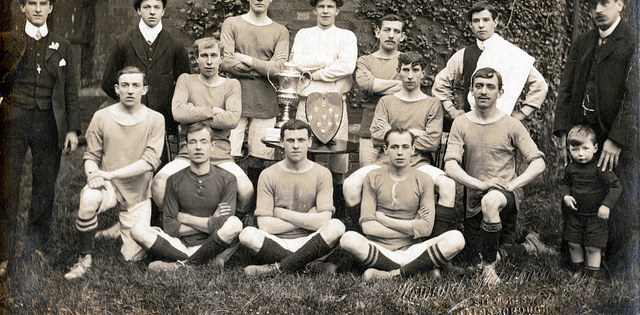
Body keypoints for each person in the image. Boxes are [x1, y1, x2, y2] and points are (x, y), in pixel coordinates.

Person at [553, 0, 639, 270]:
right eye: (593, 5)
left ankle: (613, 260)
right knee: (578, 187)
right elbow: (566, 86)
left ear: (620, 5)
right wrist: (563, 130)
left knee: (616, 192)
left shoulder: (632, 40)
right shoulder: (583, 40)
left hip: (614, 133)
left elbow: (635, 95)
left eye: (605, 3)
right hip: (582, 131)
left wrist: (617, 139)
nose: (598, 10)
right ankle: (573, 257)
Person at [0, 0, 80, 277]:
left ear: (50, 8)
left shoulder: (63, 45)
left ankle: (35, 248)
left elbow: (72, 89)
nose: (37, 9)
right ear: (22, 8)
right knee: (7, 186)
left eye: (42, 4)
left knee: (44, 186)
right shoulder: (7, 41)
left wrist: (73, 129)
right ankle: (3, 253)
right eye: (31, 3)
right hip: (13, 121)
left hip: (49, 122)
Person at [444, 67, 546, 286]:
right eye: (479, 86)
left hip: (504, 198)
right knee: (476, 255)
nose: (484, 91)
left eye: (490, 87)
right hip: (474, 200)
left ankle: (489, 270)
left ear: (500, 93)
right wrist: (480, 184)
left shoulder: (512, 124)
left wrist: (511, 186)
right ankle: (529, 246)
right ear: (471, 90)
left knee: (490, 201)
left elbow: (538, 163)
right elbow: (450, 166)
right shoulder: (460, 123)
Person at [343, 52, 458, 238]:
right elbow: (376, 136)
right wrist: (415, 133)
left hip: (419, 164)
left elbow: (432, 142)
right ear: (398, 72)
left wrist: (392, 132)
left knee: (448, 186)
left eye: (415, 70)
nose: (410, 76)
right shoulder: (386, 101)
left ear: (423, 73)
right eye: (405, 70)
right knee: (350, 185)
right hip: (385, 162)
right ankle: (364, 237)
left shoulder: (432, 103)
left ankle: (434, 243)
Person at [64, 67, 164, 280]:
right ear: (117, 89)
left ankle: (128, 228)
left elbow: (149, 163)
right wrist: (93, 174)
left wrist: (110, 174)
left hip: (138, 191)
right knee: (89, 197)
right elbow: (91, 155)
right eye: (125, 85)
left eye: (136, 85)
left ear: (144, 89)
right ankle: (84, 259)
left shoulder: (156, 119)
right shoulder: (101, 116)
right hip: (109, 186)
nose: (130, 90)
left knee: (132, 257)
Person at [339, 128, 466, 282]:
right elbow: (367, 226)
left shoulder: (424, 179)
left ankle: (390, 274)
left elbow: (426, 228)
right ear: (385, 150)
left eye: (405, 147)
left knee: (456, 238)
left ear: (413, 150)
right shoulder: (372, 177)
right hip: (379, 247)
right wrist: (413, 229)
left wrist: (385, 220)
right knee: (348, 239)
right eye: (394, 147)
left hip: (413, 249)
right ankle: (419, 269)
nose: (400, 152)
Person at [151, 38, 254, 219]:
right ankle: (174, 219)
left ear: (221, 58)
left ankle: (234, 219)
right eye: (204, 56)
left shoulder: (231, 85)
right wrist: (213, 111)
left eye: (214, 56)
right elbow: (178, 113)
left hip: (220, 154)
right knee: (158, 183)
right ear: (196, 59)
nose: (209, 61)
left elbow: (232, 119)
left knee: (246, 190)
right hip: (188, 152)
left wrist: (194, 112)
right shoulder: (186, 80)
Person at [129, 122, 243, 271]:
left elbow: (222, 224)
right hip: (180, 244)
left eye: (203, 142)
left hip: (213, 243)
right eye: (193, 142)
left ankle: (181, 266)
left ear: (212, 146)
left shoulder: (227, 179)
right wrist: (210, 221)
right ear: (186, 146)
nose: (198, 147)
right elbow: (169, 227)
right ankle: (202, 263)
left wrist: (183, 218)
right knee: (137, 230)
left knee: (235, 224)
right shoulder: (174, 180)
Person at [239, 119, 345, 276]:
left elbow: (324, 221)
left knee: (337, 226)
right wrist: (307, 219)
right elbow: (265, 225)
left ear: (309, 142)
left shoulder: (322, 173)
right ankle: (310, 266)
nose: (296, 145)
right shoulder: (268, 174)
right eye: (290, 140)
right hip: (277, 241)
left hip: (311, 240)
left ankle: (276, 268)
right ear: (281, 142)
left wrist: (282, 213)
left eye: (301, 140)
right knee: (247, 234)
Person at [221, 0, 289, 182]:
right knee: (228, 155)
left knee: (262, 159)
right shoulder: (232, 23)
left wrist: (246, 59)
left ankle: (255, 209)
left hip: (265, 102)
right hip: (234, 100)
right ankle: (232, 205)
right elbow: (225, 62)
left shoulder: (280, 31)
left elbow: (278, 69)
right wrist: (260, 68)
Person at [432, 1, 547, 122]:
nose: (481, 25)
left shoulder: (511, 52)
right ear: (471, 25)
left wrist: (523, 113)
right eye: (476, 21)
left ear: (495, 22)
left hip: (502, 123)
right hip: (470, 124)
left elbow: (539, 85)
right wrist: (451, 110)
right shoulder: (463, 55)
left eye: (486, 20)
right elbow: (440, 84)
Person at [101, 0, 190, 138]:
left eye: (157, 7)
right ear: (138, 10)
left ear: (163, 11)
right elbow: (108, 82)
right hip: (129, 119)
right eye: (147, 7)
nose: (152, 12)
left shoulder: (175, 45)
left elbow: (185, 84)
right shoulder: (123, 42)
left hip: (164, 122)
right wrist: (129, 103)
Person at [290, 0, 358, 183]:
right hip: (306, 101)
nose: (326, 11)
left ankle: (337, 204)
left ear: (337, 11)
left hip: (336, 102)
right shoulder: (304, 34)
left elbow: (346, 67)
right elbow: (295, 64)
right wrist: (327, 59)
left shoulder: (346, 37)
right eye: (321, 7)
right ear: (315, 11)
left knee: (339, 157)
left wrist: (314, 74)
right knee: (302, 151)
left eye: (330, 7)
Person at [562, 125, 621, 280]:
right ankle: (577, 271)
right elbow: (565, 184)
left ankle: (592, 277)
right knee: (573, 243)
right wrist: (566, 196)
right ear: (568, 149)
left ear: (595, 148)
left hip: (596, 216)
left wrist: (606, 205)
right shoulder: (570, 168)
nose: (580, 154)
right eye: (575, 149)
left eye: (585, 148)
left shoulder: (600, 167)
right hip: (575, 214)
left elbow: (616, 186)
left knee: (592, 247)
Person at [354, 14, 403, 167]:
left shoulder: (406, 61)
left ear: (402, 36)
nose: (391, 35)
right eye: (387, 30)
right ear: (377, 32)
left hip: (399, 129)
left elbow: (409, 86)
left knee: (398, 174)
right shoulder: (365, 61)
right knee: (367, 174)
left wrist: (375, 83)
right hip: (369, 128)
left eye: (396, 31)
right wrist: (396, 84)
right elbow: (366, 84)